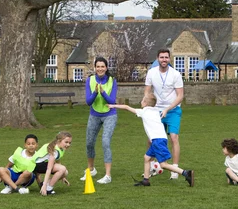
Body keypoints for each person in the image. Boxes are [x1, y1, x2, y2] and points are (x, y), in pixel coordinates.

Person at [109, 94, 194, 187]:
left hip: (158, 141)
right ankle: (146, 180)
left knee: (163, 165)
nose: (141, 101)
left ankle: (186, 173)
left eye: (142, 100)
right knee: (147, 158)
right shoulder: (156, 111)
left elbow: (126, 107)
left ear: (145, 103)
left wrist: (113, 106)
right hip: (159, 139)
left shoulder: (143, 112)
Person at [145, 49, 184, 180]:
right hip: (156, 111)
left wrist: (167, 109)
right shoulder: (151, 73)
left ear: (169, 59)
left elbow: (180, 96)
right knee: (151, 140)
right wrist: (145, 106)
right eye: (161, 57)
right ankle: (151, 166)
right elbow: (147, 92)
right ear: (157, 58)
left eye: (166, 57)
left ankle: (175, 168)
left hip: (173, 110)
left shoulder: (176, 74)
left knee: (174, 138)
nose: (164, 60)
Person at [80, 57, 118, 185]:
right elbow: (88, 102)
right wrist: (95, 92)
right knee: (89, 143)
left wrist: (103, 92)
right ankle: (91, 169)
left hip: (109, 115)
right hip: (94, 115)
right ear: (95, 68)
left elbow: (112, 101)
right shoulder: (90, 80)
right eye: (98, 66)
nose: (100, 69)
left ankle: (108, 175)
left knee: (105, 142)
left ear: (106, 68)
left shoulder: (112, 80)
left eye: (103, 66)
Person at [34, 131, 72, 196]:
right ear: (59, 140)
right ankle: (48, 188)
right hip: (36, 165)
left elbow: (57, 160)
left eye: (69, 143)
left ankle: (46, 185)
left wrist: (62, 176)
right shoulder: (54, 150)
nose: (68, 144)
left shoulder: (59, 147)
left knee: (65, 172)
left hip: (41, 164)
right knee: (63, 168)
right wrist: (44, 186)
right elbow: (49, 169)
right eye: (66, 142)